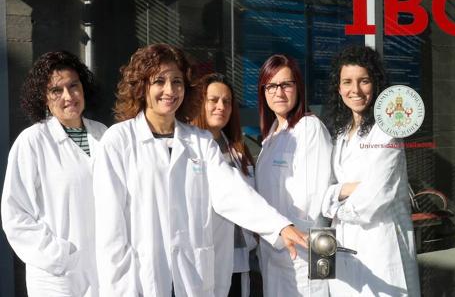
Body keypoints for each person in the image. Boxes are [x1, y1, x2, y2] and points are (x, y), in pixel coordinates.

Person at [93, 43, 308, 297]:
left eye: (177, 82)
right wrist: (119, 288)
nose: (169, 90)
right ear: (142, 86)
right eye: (159, 81)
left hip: (191, 277)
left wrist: (279, 226)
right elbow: (111, 228)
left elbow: (232, 192)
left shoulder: (199, 141)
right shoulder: (119, 141)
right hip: (141, 278)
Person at [1, 51, 107, 297]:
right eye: (56, 90)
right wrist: (60, 256)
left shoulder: (104, 134)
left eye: (73, 86)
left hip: (104, 271)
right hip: (58, 277)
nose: (68, 96)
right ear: (44, 98)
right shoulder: (33, 141)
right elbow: (15, 214)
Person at [321, 45, 420, 297]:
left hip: (379, 242)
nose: (355, 90)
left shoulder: (387, 131)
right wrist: (343, 190)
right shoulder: (341, 133)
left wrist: (333, 204)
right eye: (347, 82)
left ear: (375, 85)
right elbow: (327, 188)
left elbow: (374, 199)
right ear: (338, 87)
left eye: (364, 81)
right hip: (343, 244)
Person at [255, 54, 332, 297]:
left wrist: (320, 263)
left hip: (304, 252)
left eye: (286, 84)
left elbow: (315, 199)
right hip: (275, 251)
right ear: (263, 91)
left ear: (298, 88)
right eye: (271, 85)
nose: (279, 92)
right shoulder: (272, 136)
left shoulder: (309, 128)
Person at [192, 73, 258, 297]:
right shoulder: (187, 147)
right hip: (200, 260)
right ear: (200, 103)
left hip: (238, 259)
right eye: (214, 100)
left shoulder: (240, 149)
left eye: (227, 101)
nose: (221, 106)